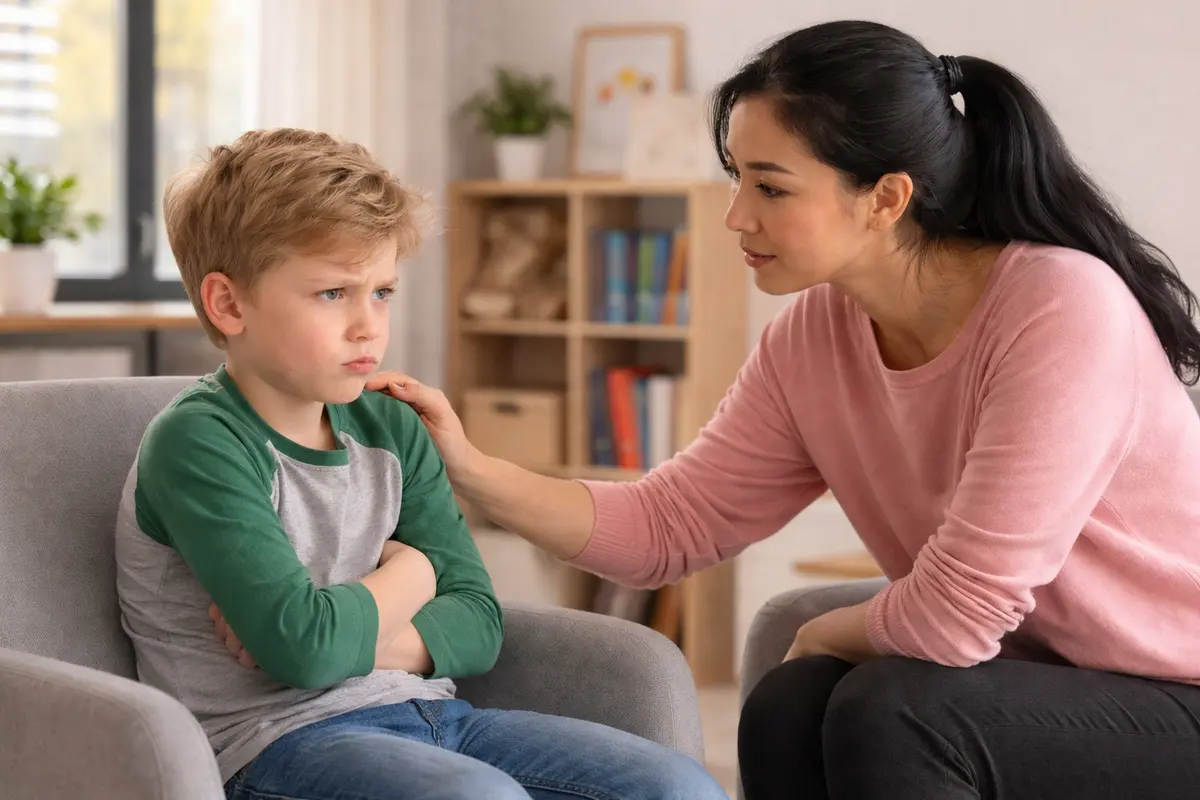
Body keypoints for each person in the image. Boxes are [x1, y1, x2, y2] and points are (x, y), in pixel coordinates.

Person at [368, 19, 1200, 800]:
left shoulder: (1059, 306)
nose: (736, 216)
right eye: (738, 179)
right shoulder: (816, 334)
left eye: (770, 187)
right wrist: (472, 468)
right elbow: (670, 526)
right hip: (1026, 675)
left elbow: (961, 614)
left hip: (1174, 687)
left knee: (894, 709)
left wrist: (827, 632)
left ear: (884, 198)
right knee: (786, 704)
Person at [113, 128, 726, 800]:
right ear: (228, 304)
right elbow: (306, 649)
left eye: (381, 292)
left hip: (436, 716)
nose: (368, 325)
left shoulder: (391, 423)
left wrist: (338, 635)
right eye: (332, 294)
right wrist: (419, 569)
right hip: (275, 745)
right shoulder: (199, 442)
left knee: (677, 785)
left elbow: (479, 625)